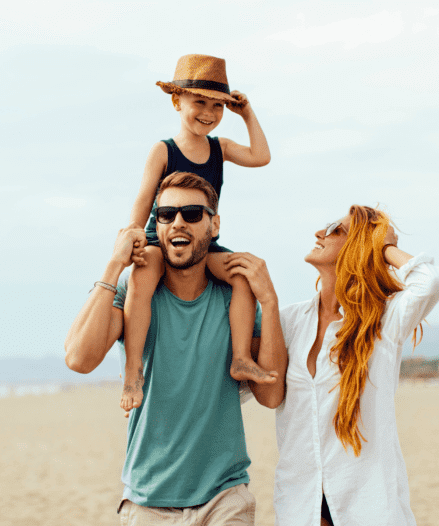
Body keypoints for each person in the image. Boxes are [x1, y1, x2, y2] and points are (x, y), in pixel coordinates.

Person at [65, 172, 287, 524]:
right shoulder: (137, 293)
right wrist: (115, 263)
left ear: (214, 225)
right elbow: (78, 358)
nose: (177, 223)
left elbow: (272, 395)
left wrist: (270, 301)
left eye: (192, 214)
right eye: (166, 215)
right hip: (147, 501)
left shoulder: (236, 302)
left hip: (224, 496)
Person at [226, 206, 439, 526]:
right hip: (300, 509)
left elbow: (432, 281)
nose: (320, 233)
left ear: (358, 246)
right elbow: (247, 388)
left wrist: (383, 247)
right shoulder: (289, 321)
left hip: (369, 510)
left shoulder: (382, 323)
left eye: (335, 229)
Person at [121, 53, 273, 413]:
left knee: (241, 275)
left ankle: (239, 357)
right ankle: (132, 370)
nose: (208, 112)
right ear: (177, 101)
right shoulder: (164, 150)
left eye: (216, 105)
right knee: (141, 280)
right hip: (162, 237)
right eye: (199, 103)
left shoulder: (219, 148)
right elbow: (144, 198)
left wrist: (246, 114)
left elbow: (261, 156)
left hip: (206, 242)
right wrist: (133, 234)